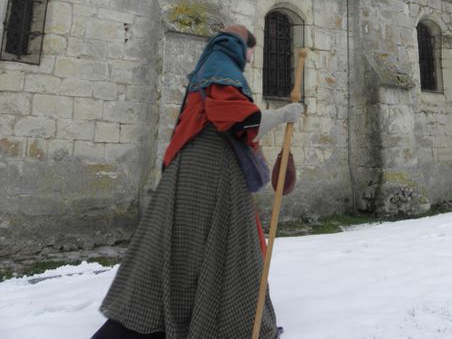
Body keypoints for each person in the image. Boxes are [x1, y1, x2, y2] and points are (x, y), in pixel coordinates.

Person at [90, 24, 304, 339]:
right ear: (238, 45)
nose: (250, 59)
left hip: (193, 169)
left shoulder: (209, 66)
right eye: (250, 51)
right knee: (229, 246)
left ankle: (167, 319)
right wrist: (283, 114)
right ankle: (236, 326)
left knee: (183, 246)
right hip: (210, 172)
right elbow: (239, 120)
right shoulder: (221, 67)